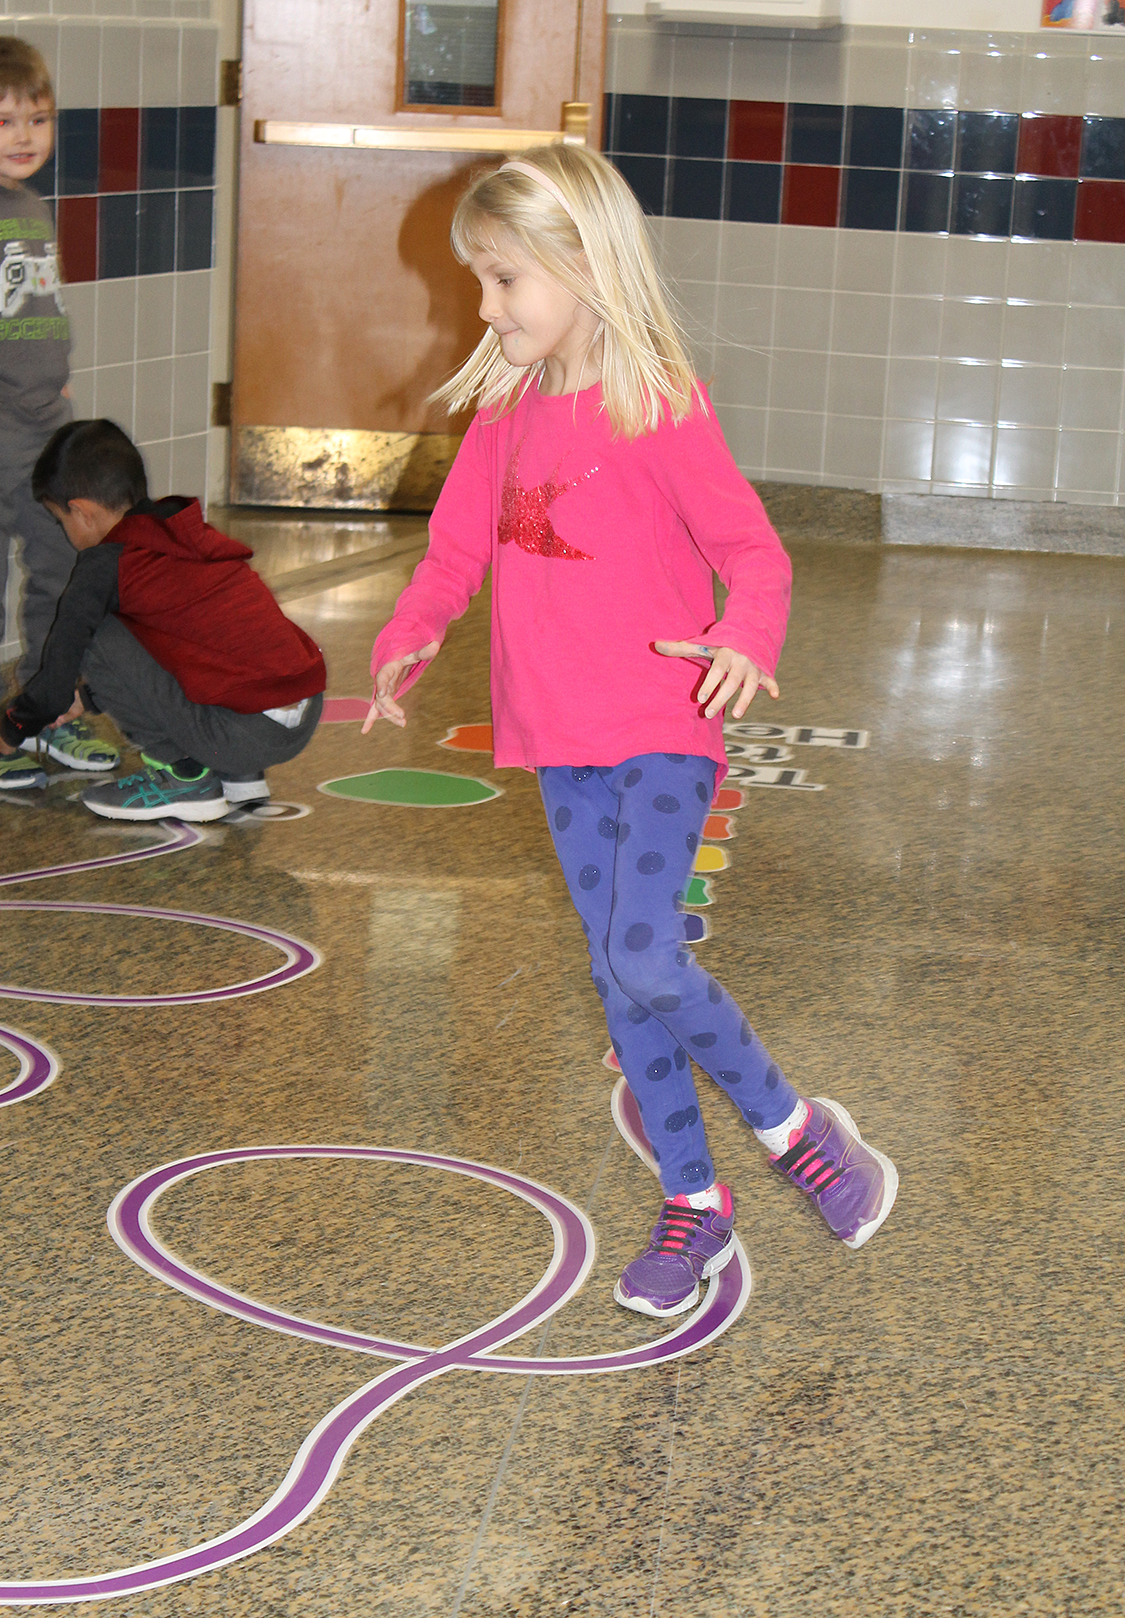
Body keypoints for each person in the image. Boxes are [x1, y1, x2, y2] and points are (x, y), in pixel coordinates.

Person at [364, 145, 897, 1319]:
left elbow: (755, 551)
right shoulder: (506, 414)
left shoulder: (656, 405)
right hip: (558, 739)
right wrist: (412, 627)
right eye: (481, 283)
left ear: (581, 264)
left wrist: (747, 636)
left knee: (646, 954)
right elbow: (458, 550)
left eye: (504, 281)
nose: (487, 307)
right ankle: (694, 1205)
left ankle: (800, 1132)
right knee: (616, 975)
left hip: (663, 726)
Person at [0, 35, 119, 791]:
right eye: (2, 121)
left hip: (46, 435)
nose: (23, 137)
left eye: (36, 120)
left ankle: (47, 711)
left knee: (59, 575)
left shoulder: (31, 204)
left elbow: (32, 309)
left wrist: (61, 403)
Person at [0, 418, 326, 821]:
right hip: (301, 714)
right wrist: (88, 700)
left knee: (95, 633)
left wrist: (9, 729)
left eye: (60, 520)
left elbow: (55, 681)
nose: (65, 532)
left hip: (245, 732)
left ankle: (183, 779)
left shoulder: (104, 565)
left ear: (82, 512)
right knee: (195, 637)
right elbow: (175, 650)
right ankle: (239, 775)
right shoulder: (176, 530)